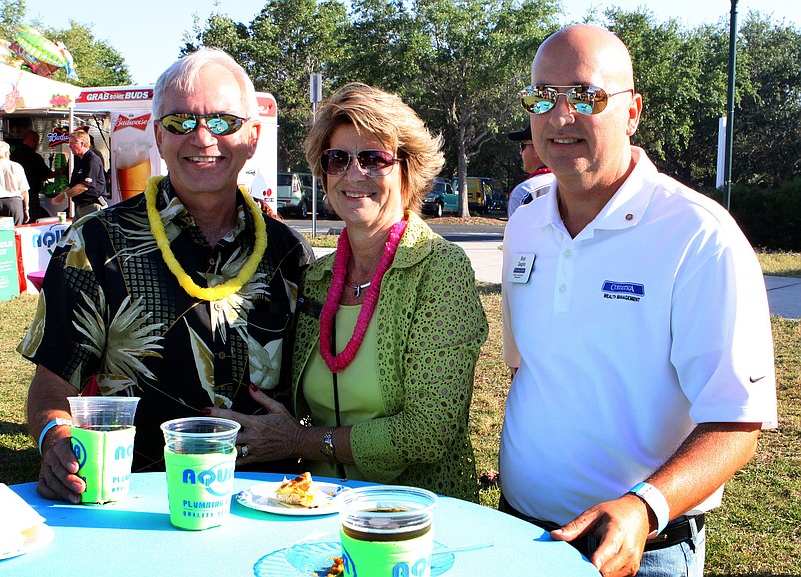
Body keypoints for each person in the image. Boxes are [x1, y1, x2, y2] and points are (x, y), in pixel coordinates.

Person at [500, 25, 777, 577]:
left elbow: (737, 420)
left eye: (586, 96)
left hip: (639, 551)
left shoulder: (699, 236)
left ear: (632, 112)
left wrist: (643, 506)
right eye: (543, 96)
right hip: (519, 534)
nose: (560, 117)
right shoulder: (525, 225)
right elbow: (529, 369)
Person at [19, 48, 314, 504]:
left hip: (270, 500)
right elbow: (53, 385)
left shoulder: (291, 254)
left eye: (222, 121)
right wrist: (55, 440)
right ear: (158, 136)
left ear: (252, 137)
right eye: (180, 122)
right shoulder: (94, 243)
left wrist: (298, 439)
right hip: (135, 501)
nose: (201, 137)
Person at [206, 83, 489, 502]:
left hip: (412, 517)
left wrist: (302, 442)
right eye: (338, 159)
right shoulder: (316, 277)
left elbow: (429, 431)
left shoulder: (440, 269)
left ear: (408, 170)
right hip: (313, 510)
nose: (354, 174)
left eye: (374, 159)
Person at [50, 130, 107, 218]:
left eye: (72, 143)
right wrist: (60, 195)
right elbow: (73, 185)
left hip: (92, 206)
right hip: (80, 207)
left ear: (82, 143)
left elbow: (84, 186)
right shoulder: (78, 160)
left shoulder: (92, 160)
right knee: (74, 231)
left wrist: (63, 196)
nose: (70, 146)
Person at [506, 125, 553, 217]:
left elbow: (517, 230)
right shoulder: (575, 185)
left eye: (522, 146)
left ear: (537, 149)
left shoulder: (526, 191)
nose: (520, 152)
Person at [10, 130, 54, 222]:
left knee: (18, 222)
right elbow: (48, 174)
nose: (37, 145)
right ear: (33, 141)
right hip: (31, 194)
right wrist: (64, 170)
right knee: (32, 221)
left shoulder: (13, 155)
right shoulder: (35, 157)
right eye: (37, 142)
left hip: (15, 195)